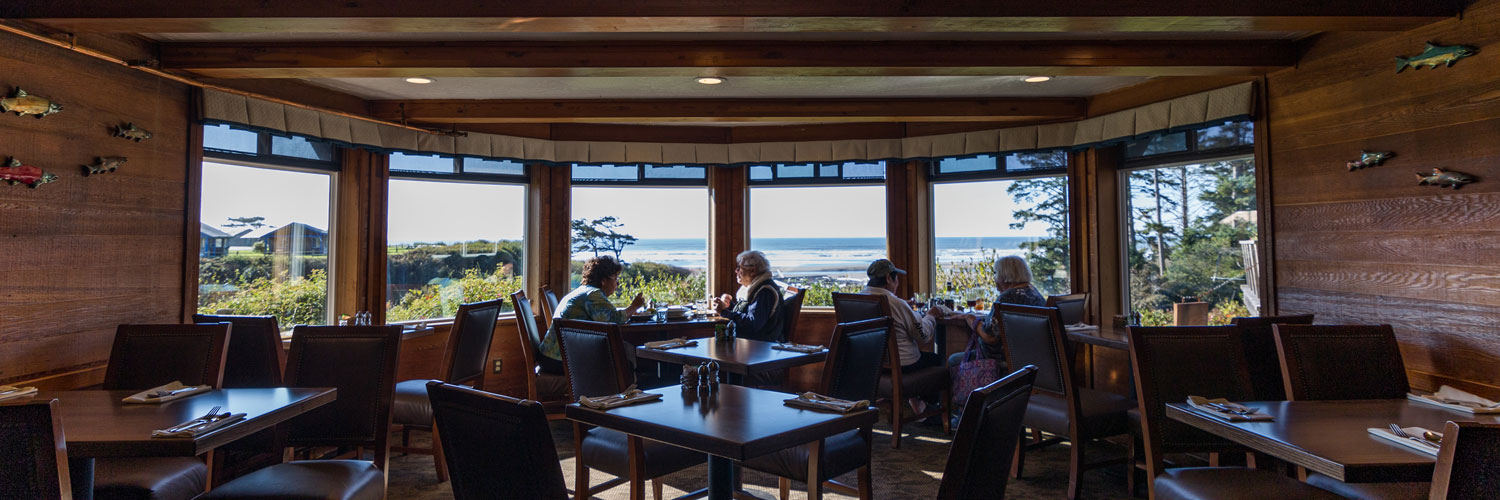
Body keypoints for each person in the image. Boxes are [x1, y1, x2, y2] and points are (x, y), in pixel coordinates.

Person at [537, 255, 645, 375]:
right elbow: (615, 320)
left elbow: (608, 316)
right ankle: (634, 392)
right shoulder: (593, 295)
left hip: (550, 356)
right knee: (624, 363)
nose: (617, 283)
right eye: (615, 278)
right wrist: (634, 306)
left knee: (620, 356)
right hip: (560, 361)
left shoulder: (583, 291)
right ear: (603, 281)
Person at [952, 255, 1046, 367]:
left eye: (996, 273)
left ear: (1005, 276)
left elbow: (990, 337)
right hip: (1029, 357)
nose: (994, 278)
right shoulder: (1034, 293)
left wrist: (970, 318)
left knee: (953, 360)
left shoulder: (1006, 298)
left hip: (1002, 359)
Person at [862, 258, 941, 371]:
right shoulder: (895, 303)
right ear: (889, 278)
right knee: (937, 360)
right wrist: (931, 316)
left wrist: (903, 305)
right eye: (897, 278)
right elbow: (923, 336)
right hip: (902, 364)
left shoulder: (858, 299)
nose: (897, 283)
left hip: (872, 365)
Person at [714, 250, 785, 342]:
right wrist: (729, 306)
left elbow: (752, 324)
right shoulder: (757, 288)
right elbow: (749, 313)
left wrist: (724, 312)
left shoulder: (765, 292)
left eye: (739, 267)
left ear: (752, 271)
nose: (736, 271)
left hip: (760, 346)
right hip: (750, 343)